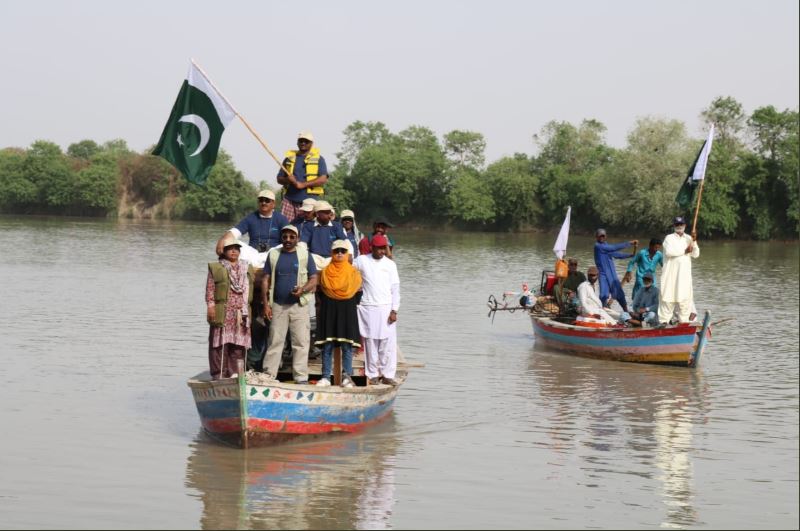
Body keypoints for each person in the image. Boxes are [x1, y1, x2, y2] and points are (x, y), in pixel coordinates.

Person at [261, 225, 318, 384]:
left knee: (300, 342)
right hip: (278, 305)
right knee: (275, 341)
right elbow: (265, 280)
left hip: (299, 306)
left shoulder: (305, 255)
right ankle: (268, 376)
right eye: (285, 237)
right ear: (281, 238)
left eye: (292, 237)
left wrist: (303, 289)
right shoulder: (273, 254)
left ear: (297, 239)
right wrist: (266, 305)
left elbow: (314, 279)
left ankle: (300, 378)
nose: (288, 240)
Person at [354, 233, 401, 386]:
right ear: (372, 247)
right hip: (368, 307)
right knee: (370, 343)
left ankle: (387, 375)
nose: (382, 251)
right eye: (379, 248)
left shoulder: (390, 264)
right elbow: (349, 272)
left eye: (384, 249)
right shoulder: (361, 260)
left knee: (387, 344)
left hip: (387, 308)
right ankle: (372, 374)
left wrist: (394, 310)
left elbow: (395, 289)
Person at [315, 240, 363, 388]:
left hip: (347, 310)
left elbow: (358, 295)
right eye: (337, 251)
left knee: (347, 346)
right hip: (329, 311)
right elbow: (320, 294)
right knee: (327, 345)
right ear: (332, 253)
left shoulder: (354, 273)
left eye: (343, 251)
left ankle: (347, 377)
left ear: (348, 253)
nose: (340, 253)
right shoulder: (324, 273)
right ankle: (325, 377)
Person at [206, 236, 255, 379]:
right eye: (229, 249)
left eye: (236, 249)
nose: (233, 251)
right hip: (224, 310)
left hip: (241, 312)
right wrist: (211, 306)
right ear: (224, 252)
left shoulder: (247, 267)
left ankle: (235, 374)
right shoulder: (217, 267)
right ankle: (218, 374)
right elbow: (210, 289)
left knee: (238, 345)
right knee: (219, 344)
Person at [215, 189, 289, 256]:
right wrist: (222, 240)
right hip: (253, 254)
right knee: (232, 243)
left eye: (267, 200)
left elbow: (290, 238)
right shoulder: (251, 218)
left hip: (274, 254)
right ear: (258, 202)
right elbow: (235, 232)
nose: (263, 203)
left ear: (273, 204)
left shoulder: (281, 219)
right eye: (261, 200)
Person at [276, 131, 329, 221]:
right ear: (297, 142)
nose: (303, 143)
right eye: (301, 141)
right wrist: (288, 180)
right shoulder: (289, 158)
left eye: (306, 141)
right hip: (290, 201)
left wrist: (302, 185)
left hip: (310, 202)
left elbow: (323, 179)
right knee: (287, 228)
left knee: (309, 229)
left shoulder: (319, 159)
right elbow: (279, 179)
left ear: (311, 144)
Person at [658, 216, 700, 324]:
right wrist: (685, 251)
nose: (679, 226)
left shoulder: (689, 238)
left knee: (684, 302)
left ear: (685, 226)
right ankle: (664, 323)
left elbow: (696, 254)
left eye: (681, 224)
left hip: (684, 278)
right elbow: (669, 252)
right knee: (667, 300)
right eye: (677, 224)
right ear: (674, 226)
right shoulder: (669, 238)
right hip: (670, 277)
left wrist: (694, 241)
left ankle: (683, 325)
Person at [594, 228, 637, 312]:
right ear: (596, 237)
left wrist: (630, 255)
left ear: (606, 236)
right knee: (603, 295)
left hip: (611, 273)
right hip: (602, 274)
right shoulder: (598, 246)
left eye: (603, 236)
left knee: (619, 294)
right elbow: (614, 247)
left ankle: (626, 312)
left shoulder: (606, 246)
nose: (602, 237)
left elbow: (617, 254)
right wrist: (629, 243)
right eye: (600, 236)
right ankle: (603, 310)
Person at [301, 200, 346, 269]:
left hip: (333, 259)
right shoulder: (308, 226)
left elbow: (344, 242)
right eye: (326, 212)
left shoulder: (337, 226)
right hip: (314, 259)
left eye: (330, 211)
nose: (330, 214)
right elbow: (302, 244)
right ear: (317, 214)